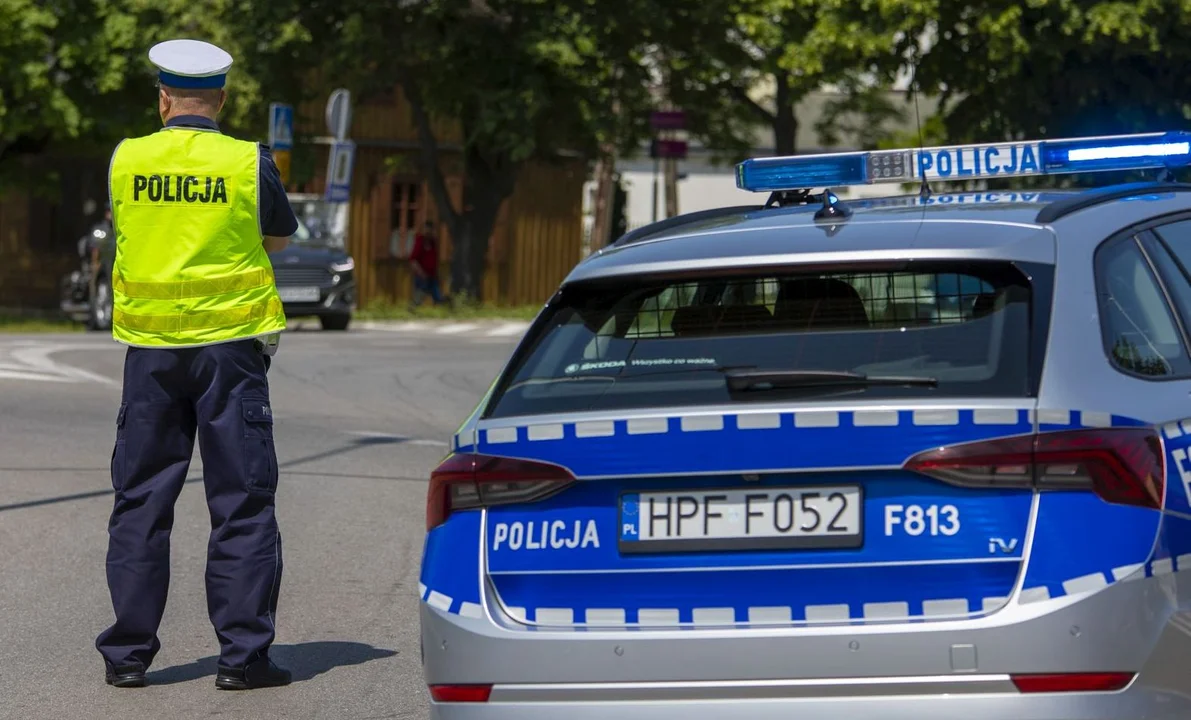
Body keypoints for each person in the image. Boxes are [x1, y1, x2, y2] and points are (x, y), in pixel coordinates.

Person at [95, 38, 296, 692]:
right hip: (229, 352)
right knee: (240, 500)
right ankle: (241, 660)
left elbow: (122, 234)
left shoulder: (127, 159)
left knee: (141, 499)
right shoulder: (246, 162)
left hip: (150, 354)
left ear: (162, 100)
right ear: (223, 99)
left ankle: (127, 655)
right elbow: (276, 238)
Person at [409, 220, 444, 305]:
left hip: (432, 276)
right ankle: (410, 313)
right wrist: (420, 273)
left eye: (430, 230)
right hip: (422, 277)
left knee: (438, 297)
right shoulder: (419, 242)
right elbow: (413, 260)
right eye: (427, 230)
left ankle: (440, 314)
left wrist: (436, 274)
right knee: (418, 298)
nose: (429, 233)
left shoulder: (433, 243)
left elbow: (434, 260)